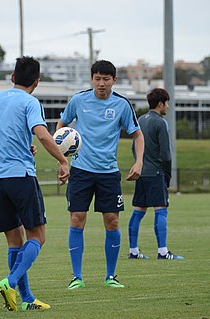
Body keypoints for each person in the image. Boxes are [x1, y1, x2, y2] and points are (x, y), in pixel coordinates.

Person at [56, 59, 144, 289]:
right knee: (77, 219)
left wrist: (139, 162)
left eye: (106, 79)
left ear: (114, 80)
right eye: (97, 79)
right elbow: (61, 125)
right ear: (92, 79)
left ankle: (111, 276)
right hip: (81, 171)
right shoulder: (78, 100)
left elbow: (137, 134)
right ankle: (77, 277)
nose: (101, 83)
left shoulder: (122, 105)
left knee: (112, 221)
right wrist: (61, 158)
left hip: (108, 173)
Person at [0, 56, 69, 311]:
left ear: (12, 77)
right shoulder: (30, 102)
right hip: (21, 177)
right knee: (37, 236)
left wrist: (21, 146)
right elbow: (43, 135)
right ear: (36, 82)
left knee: (14, 241)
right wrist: (63, 161)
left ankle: (27, 300)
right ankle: (11, 282)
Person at [128, 88, 184, 260]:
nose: (168, 107)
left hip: (142, 173)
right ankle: (163, 251)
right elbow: (166, 154)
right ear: (161, 104)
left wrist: (140, 164)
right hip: (156, 173)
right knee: (161, 210)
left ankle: (133, 251)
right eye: (167, 103)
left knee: (138, 211)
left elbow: (134, 147)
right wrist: (167, 175)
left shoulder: (140, 120)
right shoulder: (161, 123)